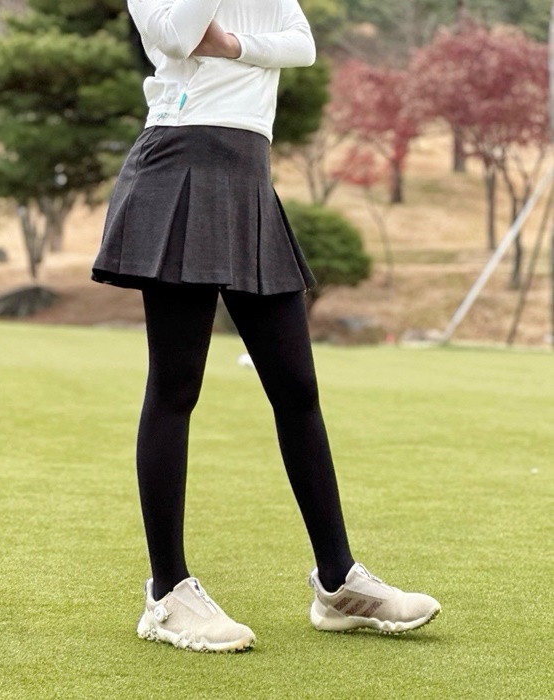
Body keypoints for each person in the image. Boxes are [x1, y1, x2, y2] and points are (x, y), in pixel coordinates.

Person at [92, 0, 441, 653]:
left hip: (248, 173)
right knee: (175, 386)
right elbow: (175, 34)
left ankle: (338, 583)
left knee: (296, 388)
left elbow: (301, 44)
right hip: (180, 159)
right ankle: (167, 594)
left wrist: (234, 46)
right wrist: (228, 38)